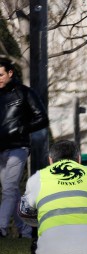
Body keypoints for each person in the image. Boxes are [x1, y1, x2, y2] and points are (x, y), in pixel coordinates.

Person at [0, 57, 48, 239]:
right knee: (11, 191)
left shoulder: (24, 93)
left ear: (10, 73)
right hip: (1, 149)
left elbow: (42, 118)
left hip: (18, 147)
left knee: (9, 188)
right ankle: (26, 231)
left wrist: (21, 128)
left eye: (1, 75)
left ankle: (1, 227)